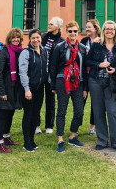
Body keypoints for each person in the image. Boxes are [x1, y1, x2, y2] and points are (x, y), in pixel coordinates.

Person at [86, 20, 116, 151]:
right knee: (98, 111)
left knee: (112, 111)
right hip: (95, 81)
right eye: (107, 29)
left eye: (112, 29)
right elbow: (88, 60)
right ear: (103, 31)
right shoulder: (97, 45)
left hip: (112, 82)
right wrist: (98, 64)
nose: (109, 31)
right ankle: (102, 140)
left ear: (115, 32)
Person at [49, 21, 88, 152]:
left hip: (78, 82)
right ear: (67, 32)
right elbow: (53, 66)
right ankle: (60, 139)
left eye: (75, 31)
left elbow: (85, 69)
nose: (73, 34)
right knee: (62, 110)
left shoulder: (82, 48)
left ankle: (72, 135)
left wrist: (85, 88)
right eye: (70, 31)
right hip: (62, 81)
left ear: (78, 32)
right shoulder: (59, 47)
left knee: (79, 111)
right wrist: (53, 85)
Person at [0, 28, 24, 153]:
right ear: (9, 39)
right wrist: (2, 92)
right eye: (13, 37)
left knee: (10, 113)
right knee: (3, 115)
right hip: (5, 87)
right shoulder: (4, 52)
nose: (16, 40)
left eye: (18, 37)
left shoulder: (21, 52)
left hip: (15, 88)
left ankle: (6, 137)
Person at [18, 29, 48, 152]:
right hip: (28, 89)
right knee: (28, 114)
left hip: (40, 88)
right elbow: (23, 72)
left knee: (36, 115)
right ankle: (26, 142)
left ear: (41, 38)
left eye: (38, 37)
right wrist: (26, 89)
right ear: (29, 39)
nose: (36, 40)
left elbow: (45, 67)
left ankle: (32, 139)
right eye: (33, 38)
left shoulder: (44, 50)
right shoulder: (25, 53)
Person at [36, 16, 65, 134]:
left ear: (58, 26)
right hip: (39, 72)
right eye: (49, 23)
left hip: (52, 74)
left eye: (51, 24)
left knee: (50, 99)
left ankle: (49, 125)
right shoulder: (42, 37)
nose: (49, 25)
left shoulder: (62, 41)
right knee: (37, 99)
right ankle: (36, 125)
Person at [80, 19, 101, 136]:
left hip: (96, 75)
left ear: (95, 28)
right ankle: (76, 126)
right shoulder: (83, 40)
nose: (87, 29)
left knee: (95, 102)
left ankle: (92, 127)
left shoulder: (101, 41)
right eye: (86, 27)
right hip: (84, 75)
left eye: (89, 27)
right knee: (81, 101)